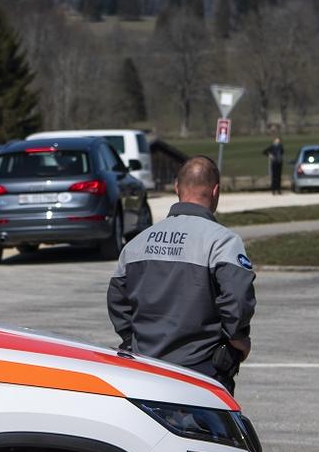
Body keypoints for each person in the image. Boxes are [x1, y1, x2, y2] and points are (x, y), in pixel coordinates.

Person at [107, 156, 256, 394]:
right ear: (216, 191)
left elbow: (117, 299)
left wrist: (133, 341)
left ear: (177, 188)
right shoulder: (223, 242)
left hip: (145, 369)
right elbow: (238, 299)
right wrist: (238, 338)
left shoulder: (136, 243)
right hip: (201, 372)